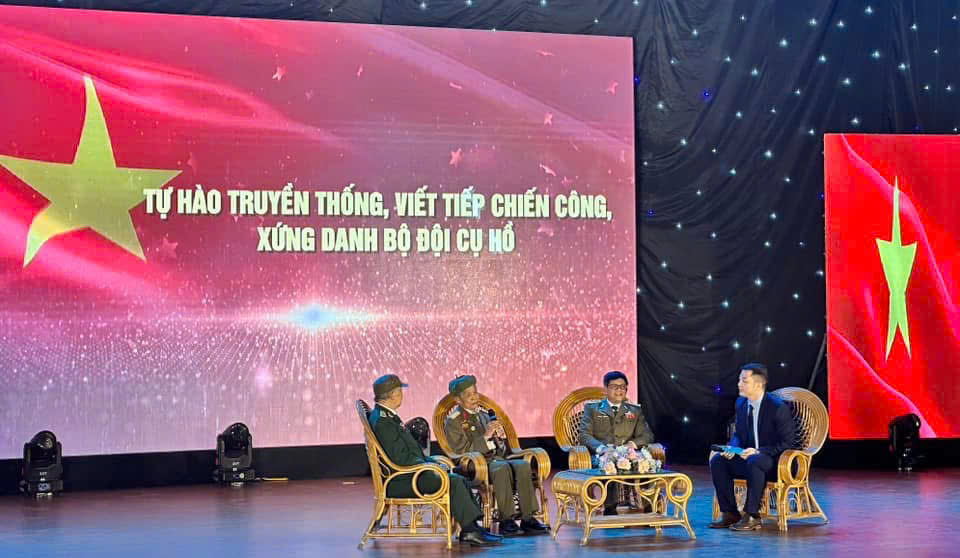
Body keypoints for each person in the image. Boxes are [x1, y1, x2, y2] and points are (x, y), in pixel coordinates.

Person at [368, 374, 501, 546]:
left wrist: (432, 463)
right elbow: (401, 459)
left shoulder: (386, 416)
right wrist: (430, 466)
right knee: (454, 481)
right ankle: (470, 530)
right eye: (400, 391)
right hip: (403, 480)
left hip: (410, 474)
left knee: (458, 478)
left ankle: (473, 528)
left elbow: (408, 454)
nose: (401, 395)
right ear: (393, 394)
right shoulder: (383, 422)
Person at [442, 375, 549, 536]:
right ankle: (507, 520)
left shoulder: (484, 415)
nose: (474, 397)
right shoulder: (454, 421)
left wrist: (499, 439)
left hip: (496, 459)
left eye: (475, 393)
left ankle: (528, 518)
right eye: (468, 395)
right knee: (501, 468)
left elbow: (501, 450)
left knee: (523, 465)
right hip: (474, 464)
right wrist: (486, 436)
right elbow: (461, 451)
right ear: (458, 400)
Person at [709, 363, 796, 531]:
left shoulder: (777, 407)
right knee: (718, 461)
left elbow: (787, 442)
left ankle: (752, 515)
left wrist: (758, 451)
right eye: (739, 380)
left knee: (755, 460)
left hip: (775, 462)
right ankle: (730, 513)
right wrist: (733, 448)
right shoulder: (741, 403)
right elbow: (738, 434)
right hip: (749, 458)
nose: (739, 384)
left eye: (744, 381)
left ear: (758, 384)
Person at [578, 370, 660, 515]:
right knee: (610, 464)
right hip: (602, 455)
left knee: (645, 464)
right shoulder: (592, 409)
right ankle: (610, 509)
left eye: (622, 387)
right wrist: (602, 449)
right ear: (606, 389)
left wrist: (632, 444)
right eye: (615, 387)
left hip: (628, 453)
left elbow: (647, 435)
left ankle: (650, 508)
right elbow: (584, 435)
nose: (619, 390)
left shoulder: (635, 410)